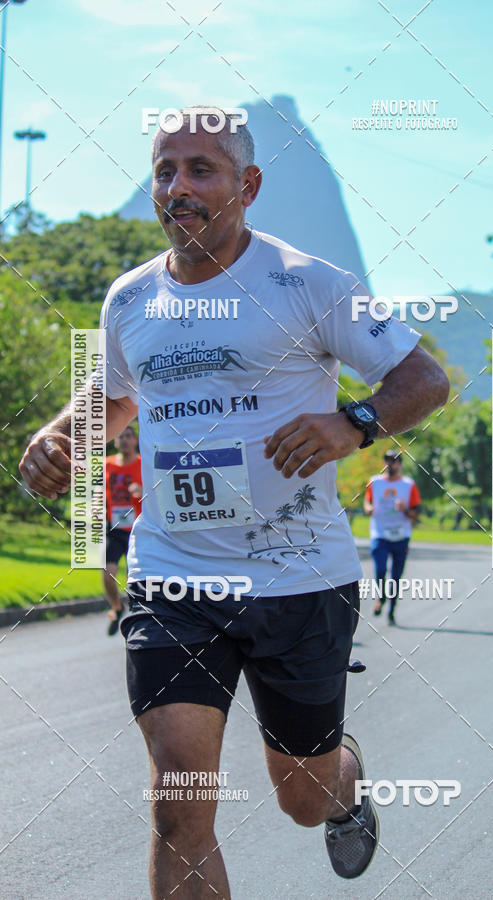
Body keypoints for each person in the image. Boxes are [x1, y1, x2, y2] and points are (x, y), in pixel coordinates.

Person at [18, 106, 449, 899]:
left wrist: (353, 422)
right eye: (163, 171)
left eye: (200, 170)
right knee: (179, 805)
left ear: (247, 185)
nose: (176, 187)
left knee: (303, 795)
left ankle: (343, 784)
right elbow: (112, 398)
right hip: (174, 580)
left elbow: (424, 379)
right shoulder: (130, 299)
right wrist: (60, 437)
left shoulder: (309, 283)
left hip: (298, 581)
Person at [364, 450, 421, 625]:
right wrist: (368, 509)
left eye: (395, 460)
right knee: (380, 569)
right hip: (380, 534)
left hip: (401, 535)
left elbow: (416, 514)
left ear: (400, 464)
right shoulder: (375, 482)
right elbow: (367, 502)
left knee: (396, 576)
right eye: (388, 459)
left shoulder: (408, 485)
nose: (391, 463)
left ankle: (392, 609)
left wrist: (404, 509)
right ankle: (381, 597)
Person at [104, 425, 142, 636]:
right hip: (115, 529)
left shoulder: (143, 465)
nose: (125, 440)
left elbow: (158, 495)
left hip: (137, 529)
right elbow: (96, 490)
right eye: (121, 436)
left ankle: (136, 613)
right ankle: (116, 608)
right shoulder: (106, 464)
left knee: (132, 576)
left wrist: (142, 491)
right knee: (107, 574)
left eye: (129, 436)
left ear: (135, 441)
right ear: (115, 441)